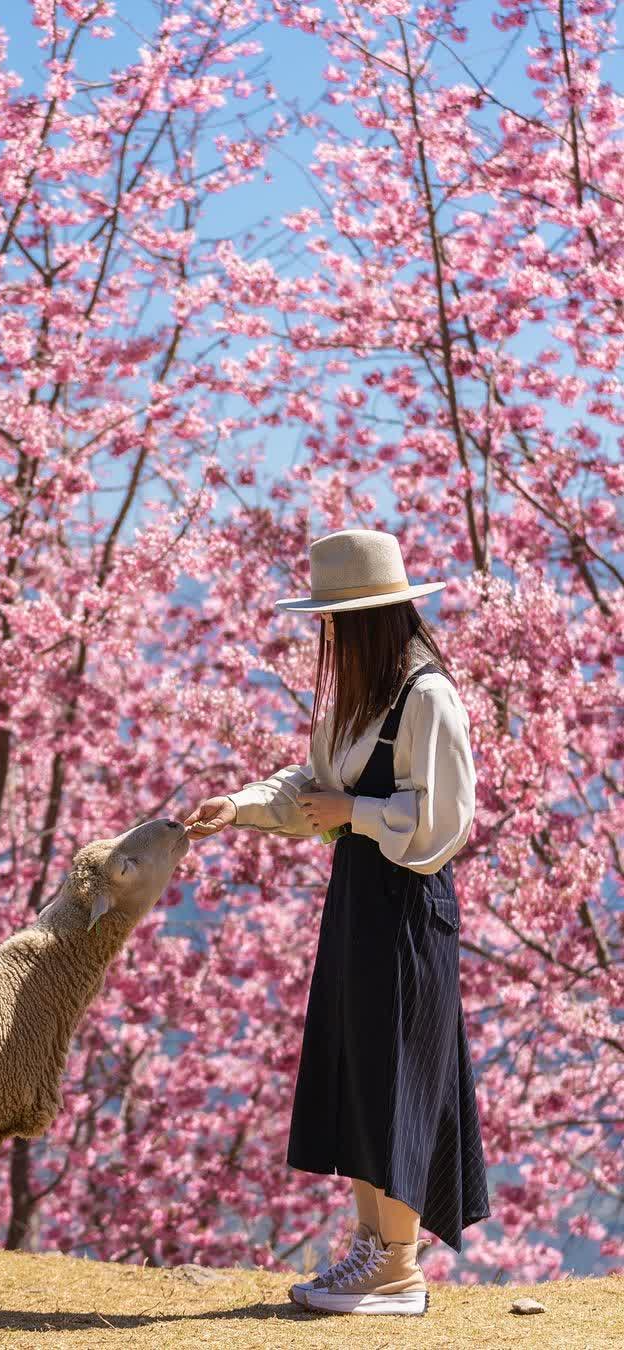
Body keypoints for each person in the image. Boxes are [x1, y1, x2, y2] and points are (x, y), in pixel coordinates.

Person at [184, 528, 490, 1317]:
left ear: (372, 620)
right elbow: (312, 785)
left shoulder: (428, 696)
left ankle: (397, 1264)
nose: (327, 634)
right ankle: (369, 1246)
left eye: (334, 620)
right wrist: (243, 808)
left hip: (407, 907)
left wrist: (355, 811)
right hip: (358, 897)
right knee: (359, 1067)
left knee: (396, 1074)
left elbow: (448, 822)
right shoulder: (360, 698)